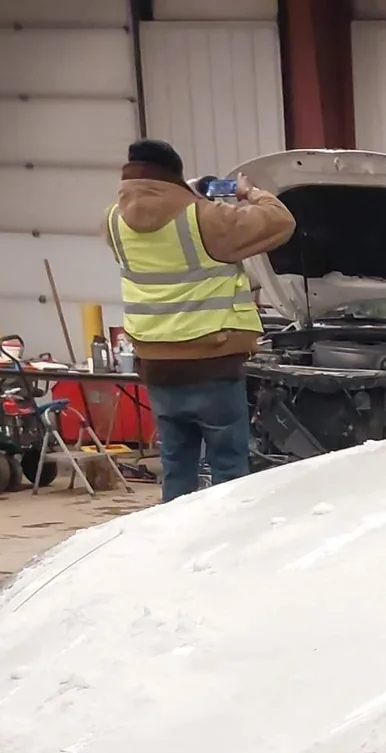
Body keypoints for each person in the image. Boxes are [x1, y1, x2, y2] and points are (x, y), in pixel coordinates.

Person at [105, 139, 295, 502]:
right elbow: (280, 221)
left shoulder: (113, 220)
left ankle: (175, 531)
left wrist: (186, 193)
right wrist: (249, 192)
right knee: (228, 467)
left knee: (176, 464)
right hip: (212, 363)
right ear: (174, 175)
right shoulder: (205, 217)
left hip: (157, 365)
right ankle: (225, 533)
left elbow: (159, 236)